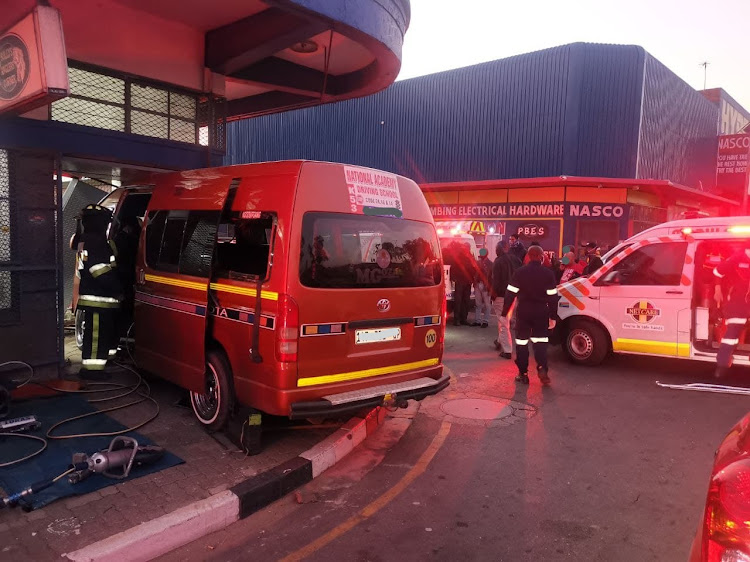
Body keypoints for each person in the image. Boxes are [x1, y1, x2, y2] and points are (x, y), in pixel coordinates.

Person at [76, 204, 123, 379]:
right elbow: (99, 270)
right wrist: (117, 288)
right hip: (98, 297)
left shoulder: (86, 239)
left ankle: (104, 360)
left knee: (102, 333)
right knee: (95, 336)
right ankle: (92, 371)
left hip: (99, 296)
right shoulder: (95, 242)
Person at [501, 245, 558, 385]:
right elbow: (553, 297)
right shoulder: (548, 274)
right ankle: (542, 368)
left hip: (524, 311)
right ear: (541, 256)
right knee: (541, 343)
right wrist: (553, 316)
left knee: (521, 343)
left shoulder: (519, 272)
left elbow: (510, 294)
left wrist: (504, 312)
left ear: (528, 256)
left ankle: (523, 374)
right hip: (541, 312)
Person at [713, 247, 750, 379]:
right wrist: (717, 290)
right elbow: (717, 272)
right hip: (737, 303)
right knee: (731, 335)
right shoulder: (738, 258)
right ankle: (722, 366)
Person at [491, 240, 515, 358]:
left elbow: (496, 280)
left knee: (503, 321)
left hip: (501, 295)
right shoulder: (514, 260)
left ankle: (507, 350)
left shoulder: (498, 261)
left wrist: (493, 294)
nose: (495, 250)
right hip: (512, 295)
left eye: (496, 248)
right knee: (505, 319)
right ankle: (500, 341)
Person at [450, 242, 476, 326]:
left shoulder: (470, 257)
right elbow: (453, 268)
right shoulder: (459, 257)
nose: (466, 249)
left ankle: (464, 319)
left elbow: (474, 268)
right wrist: (454, 278)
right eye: (465, 247)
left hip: (467, 282)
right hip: (460, 281)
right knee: (458, 301)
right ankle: (456, 319)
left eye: (467, 247)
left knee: (466, 301)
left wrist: (472, 279)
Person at [473, 248, 492, 327]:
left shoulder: (490, 264)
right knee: (478, 303)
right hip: (478, 284)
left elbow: (491, 277)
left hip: (486, 285)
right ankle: (477, 320)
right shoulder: (478, 263)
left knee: (487, 304)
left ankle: (485, 321)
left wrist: (490, 287)